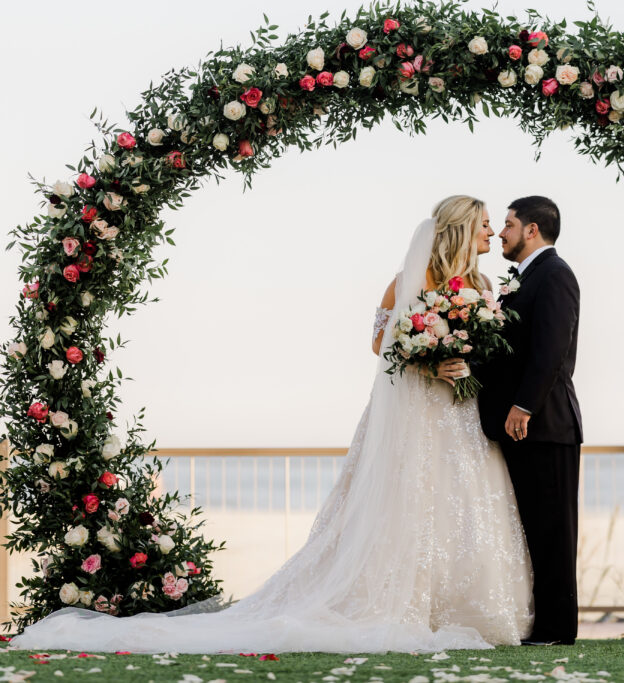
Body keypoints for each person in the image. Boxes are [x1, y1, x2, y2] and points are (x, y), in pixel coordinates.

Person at [8, 195, 534, 654]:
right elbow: (380, 343)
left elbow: (486, 348)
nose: (491, 231)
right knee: (405, 500)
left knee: (460, 502)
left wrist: (464, 361)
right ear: (464, 228)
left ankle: (460, 606)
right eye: (485, 223)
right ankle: (397, 600)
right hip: (416, 409)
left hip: (459, 411)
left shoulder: (484, 283)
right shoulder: (408, 281)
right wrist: (428, 355)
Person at [477, 196, 583, 646]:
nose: (501, 232)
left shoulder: (555, 275)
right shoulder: (525, 278)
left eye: (508, 224)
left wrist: (524, 406)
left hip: (547, 426)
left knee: (554, 531)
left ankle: (557, 630)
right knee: (531, 529)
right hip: (523, 428)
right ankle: (538, 622)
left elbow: (552, 351)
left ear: (532, 230)